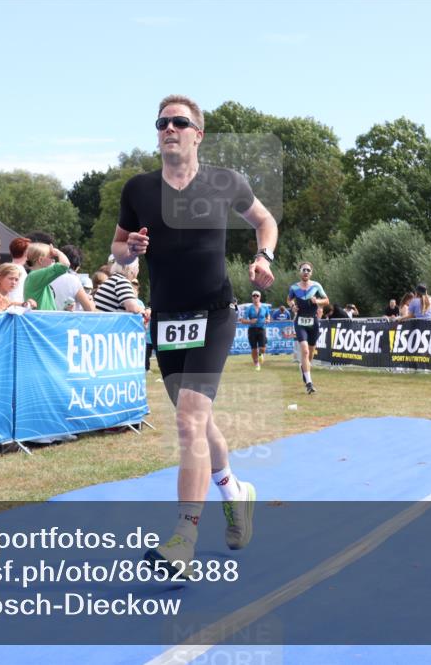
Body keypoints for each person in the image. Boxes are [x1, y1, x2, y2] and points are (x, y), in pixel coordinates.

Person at [111, 94, 277, 575]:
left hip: (215, 313)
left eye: (179, 122)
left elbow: (264, 220)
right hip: (167, 318)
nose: (169, 128)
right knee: (198, 422)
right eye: (162, 122)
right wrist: (129, 248)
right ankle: (235, 492)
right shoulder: (139, 189)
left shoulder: (225, 182)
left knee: (188, 419)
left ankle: (183, 537)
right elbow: (117, 248)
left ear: (198, 134)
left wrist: (263, 256)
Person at [288, 262, 328, 394]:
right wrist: (292, 306)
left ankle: (304, 369)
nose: (306, 272)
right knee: (304, 351)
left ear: (311, 273)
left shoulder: (316, 286)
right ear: (300, 272)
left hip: (313, 323)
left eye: (308, 270)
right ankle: (309, 384)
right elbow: (289, 299)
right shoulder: (294, 287)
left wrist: (318, 301)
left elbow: (326, 300)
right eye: (303, 269)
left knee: (310, 353)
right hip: (300, 322)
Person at [22, 243, 70, 311]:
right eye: (51, 257)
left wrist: (66, 310)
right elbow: (65, 265)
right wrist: (58, 252)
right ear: (41, 260)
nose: (53, 260)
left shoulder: (36, 276)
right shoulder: (35, 276)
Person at [51, 245, 95, 311]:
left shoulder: (47, 273)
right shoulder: (73, 280)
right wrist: (90, 300)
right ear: (78, 266)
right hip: (65, 317)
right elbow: (90, 309)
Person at [242, 290, 272, 371]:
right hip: (252, 330)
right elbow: (243, 320)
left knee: (262, 348)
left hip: (261, 328)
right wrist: (250, 321)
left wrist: (268, 320)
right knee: (254, 349)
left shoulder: (265, 307)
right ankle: (256, 364)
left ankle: (261, 354)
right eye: (254, 296)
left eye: (257, 296)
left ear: (260, 297)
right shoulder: (249, 308)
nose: (255, 297)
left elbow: (268, 316)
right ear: (252, 297)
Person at [6, 237, 31, 302]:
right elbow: (16, 294)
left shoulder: (8, 267)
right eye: (30, 250)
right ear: (26, 252)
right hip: (16, 305)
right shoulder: (19, 270)